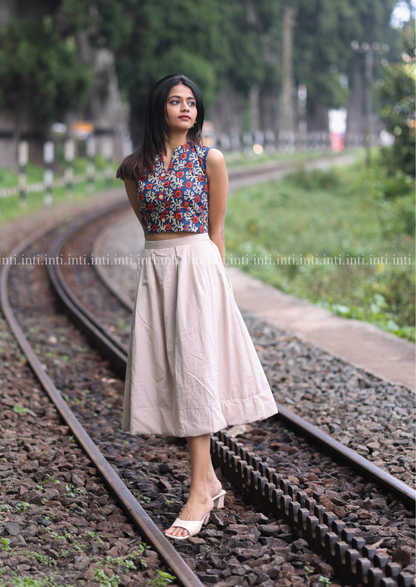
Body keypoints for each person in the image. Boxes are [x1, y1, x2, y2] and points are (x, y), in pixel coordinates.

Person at [117, 74, 277, 540]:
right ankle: (207, 480)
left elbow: (217, 231)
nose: (185, 108)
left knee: (194, 371)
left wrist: (217, 285)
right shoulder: (135, 168)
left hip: (198, 267)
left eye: (191, 102)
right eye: (175, 101)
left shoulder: (210, 159)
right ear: (159, 108)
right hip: (157, 267)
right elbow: (147, 223)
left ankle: (199, 492)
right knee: (172, 370)